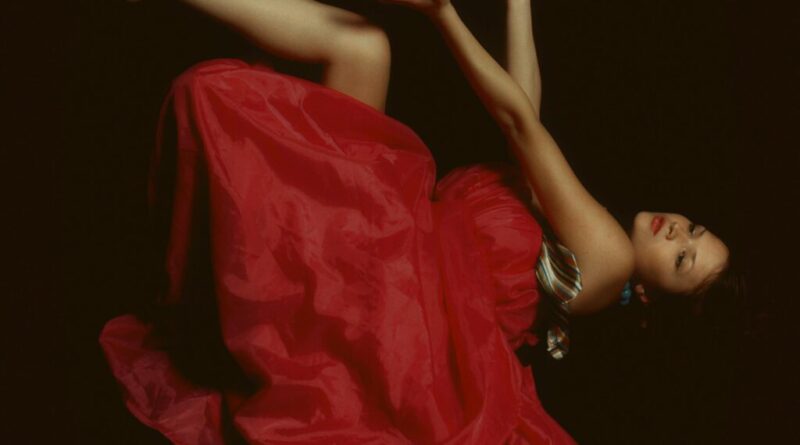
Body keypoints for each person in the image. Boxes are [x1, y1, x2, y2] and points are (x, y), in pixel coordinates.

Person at [100, 0, 733, 443]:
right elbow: (526, 120)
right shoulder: (585, 231)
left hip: (389, 304)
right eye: (695, 231)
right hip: (393, 250)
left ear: (648, 298)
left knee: (363, 49)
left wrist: (443, 14)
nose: (677, 233)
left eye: (683, 259)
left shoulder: (608, 261)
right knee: (363, 48)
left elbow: (518, 124)